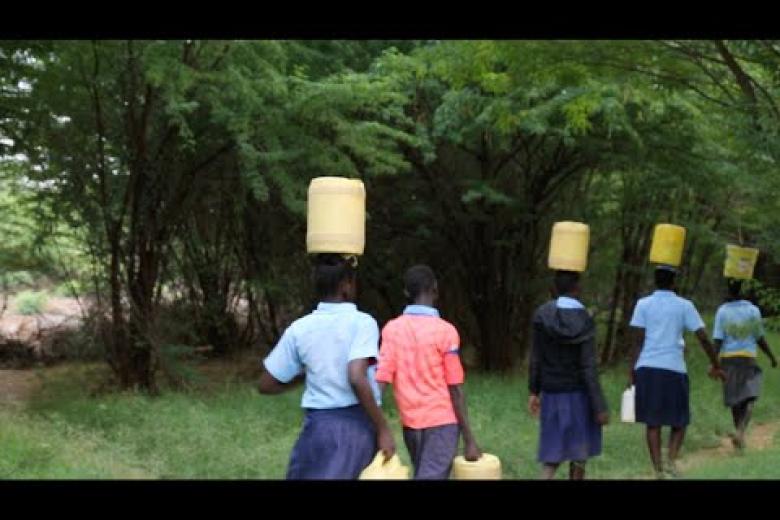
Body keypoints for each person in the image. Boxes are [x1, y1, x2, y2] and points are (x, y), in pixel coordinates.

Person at [257, 253, 395, 479]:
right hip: (356, 428)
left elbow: (266, 384)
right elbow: (356, 376)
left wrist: (306, 375)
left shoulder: (299, 329)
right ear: (346, 286)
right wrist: (383, 428)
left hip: (317, 430)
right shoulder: (362, 323)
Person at [375, 265, 481, 479]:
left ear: (406, 293)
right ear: (435, 290)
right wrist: (469, 439)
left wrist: (376, 425)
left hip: (411, 427)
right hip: (443, 424)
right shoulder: (446, 331)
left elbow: (381, 380)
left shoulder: (392, 330)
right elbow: (455, 388)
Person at [628, 265, 725, 479]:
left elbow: (637, 341)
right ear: (674, 283)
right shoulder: (684, 306)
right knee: (680, 421)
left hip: (647, 367)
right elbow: (703, 337)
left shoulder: (643, 304)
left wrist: (631, 371)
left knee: (653, 422)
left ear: (655, 281)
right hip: (674, 368)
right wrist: (716, 363)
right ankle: (671, 461)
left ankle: (658, 470)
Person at [528, 270, 608, 480]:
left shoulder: (542, 316)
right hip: (579, 397)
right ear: (577, 289)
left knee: (552, 457)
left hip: (552, 394)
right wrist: (599, 406)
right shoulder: (585, 319)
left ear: (554, 289)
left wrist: (534, 391)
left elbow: (535, 357)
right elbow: (588, 366)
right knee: (578, 456)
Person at [713, 279, 777, 452]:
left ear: (728, 290)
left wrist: (714, 363)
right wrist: (771, 357)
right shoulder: (752, 310)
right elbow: (759, 337)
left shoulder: (722, 311)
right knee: (750, 396)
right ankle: (741, 432)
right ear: (744, 291)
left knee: (735, 399)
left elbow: (718, 340)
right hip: (748, 358)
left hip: (728, 359)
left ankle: (738, 434)